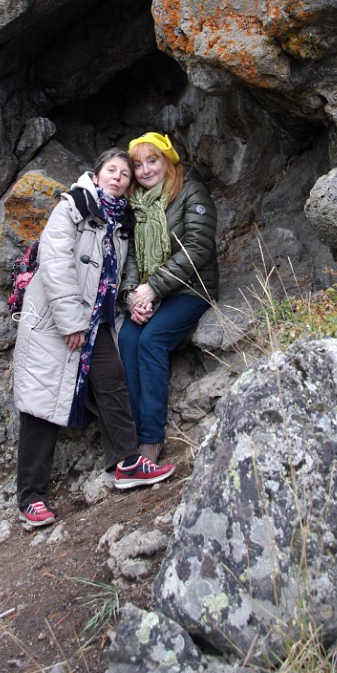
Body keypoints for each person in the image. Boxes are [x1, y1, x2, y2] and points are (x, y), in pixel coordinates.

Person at [13, 148, 175, 528]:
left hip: (95, 324)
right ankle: (30, 498)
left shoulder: (120, 223)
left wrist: (127, 303)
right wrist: (71, 322)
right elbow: (54, 262)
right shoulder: (72, 207)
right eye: (111, 170)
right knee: (43, 402)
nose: (118, 177)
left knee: (111, 381)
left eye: (124, 174)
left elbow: (110, 278)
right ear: (96, 174)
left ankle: (127, 463)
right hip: (55, 321)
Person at [118, 133, 219, 464]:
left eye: (153, 160)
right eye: (138, 165)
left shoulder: (190, 190)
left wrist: (154, 288)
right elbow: (132, 253)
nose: (146, 170)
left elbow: (198, 247)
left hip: (191, 288)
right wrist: (133, 295)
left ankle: (151, 438)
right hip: (152, 292)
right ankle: (131, 432)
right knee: (128, 338)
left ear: (167, 160)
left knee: (151, 340)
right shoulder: (137, 203)